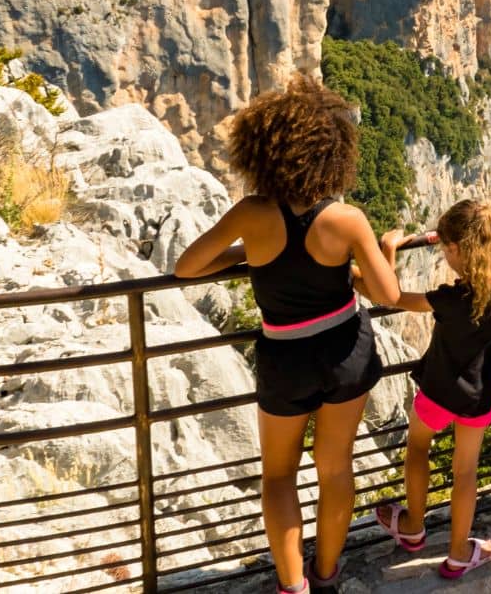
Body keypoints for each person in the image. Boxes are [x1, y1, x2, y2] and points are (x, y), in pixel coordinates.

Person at [174, 77, 403, 594]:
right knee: (335, 468)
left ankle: (292, 584)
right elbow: (387, 294)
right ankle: (326, 573)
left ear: (265, 153)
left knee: (278, 476)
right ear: (331, 155)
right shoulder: (347, 220)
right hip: (345, 350)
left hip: (284, 358)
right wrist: (385, 249)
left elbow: (187, 267)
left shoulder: (253, 214)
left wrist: (245, 254)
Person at [369, 199, 491, 578]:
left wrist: (387, 250)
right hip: (478, 397)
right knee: (465, 472)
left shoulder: (448, 300)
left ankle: (413, 526)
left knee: (418, 447)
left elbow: (390, 296)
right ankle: (457, 554)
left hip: (436, 391)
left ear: (455, 249)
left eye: (444, 248)